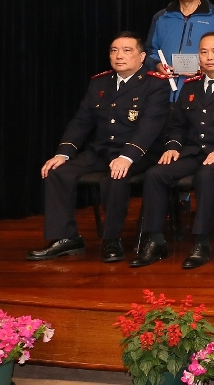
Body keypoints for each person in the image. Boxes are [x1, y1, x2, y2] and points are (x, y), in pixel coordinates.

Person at [28, 33, 171, 263]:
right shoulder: (99, 83)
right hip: (102, 151)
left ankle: (112, 239)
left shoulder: (155, 84)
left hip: (140, 153)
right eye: (114, 50)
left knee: (114, 177)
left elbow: (149, 126)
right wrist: (63, 153)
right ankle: (66, 238)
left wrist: (127, 156)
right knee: (57, 172)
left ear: (142, 56)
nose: (119, 55)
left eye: (127, 50)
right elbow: (81, 121)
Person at [133, 32, 214, 269]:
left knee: (205, 175)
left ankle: (202, 242)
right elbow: (177, 125)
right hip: (193, 152)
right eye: (204, 52)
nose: (209, 57)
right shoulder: (190, 86)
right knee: (155, 174)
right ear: (198, 57)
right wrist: (173, 146)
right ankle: (155, 241)